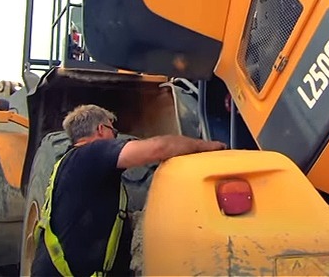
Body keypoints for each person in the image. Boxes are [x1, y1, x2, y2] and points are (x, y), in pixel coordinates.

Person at [31, 104, 226, 277]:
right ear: (101, 129)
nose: (115, 137)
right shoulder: (92, 153)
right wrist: (207, 146)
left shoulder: (71, 163)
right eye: (114, 132)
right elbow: (158, 148)